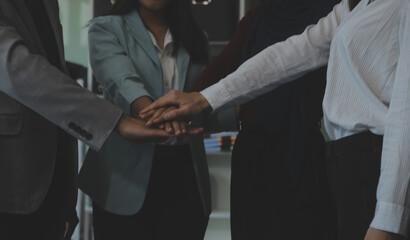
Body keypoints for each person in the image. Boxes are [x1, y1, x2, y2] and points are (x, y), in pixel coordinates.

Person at [142, 0, 410, 239]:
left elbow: (405, 114)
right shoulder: (355, 7)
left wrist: (388, 217)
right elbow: (290, 54)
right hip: (346, 164)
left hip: (373, 161)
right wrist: (204, 98)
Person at [0, 1, 174, 240]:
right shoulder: (108, 28)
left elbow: (53, 67)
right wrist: (117, 120)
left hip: (52, 185)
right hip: (10, 182)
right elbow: (15, 67)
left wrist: (65, 197)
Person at [78, 0, 236, 239]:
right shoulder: (106, 28)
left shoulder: (196, 38)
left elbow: (202, 105)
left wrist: (241, 113)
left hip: (185, 176)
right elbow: (121, 80)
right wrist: (156, 113)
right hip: (124, 180)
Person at [185, 1, 338, 239]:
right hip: (255, 153)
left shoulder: (331, 13)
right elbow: (222, 68)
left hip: (304, 153)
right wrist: (186, 105)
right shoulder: (257, 18)